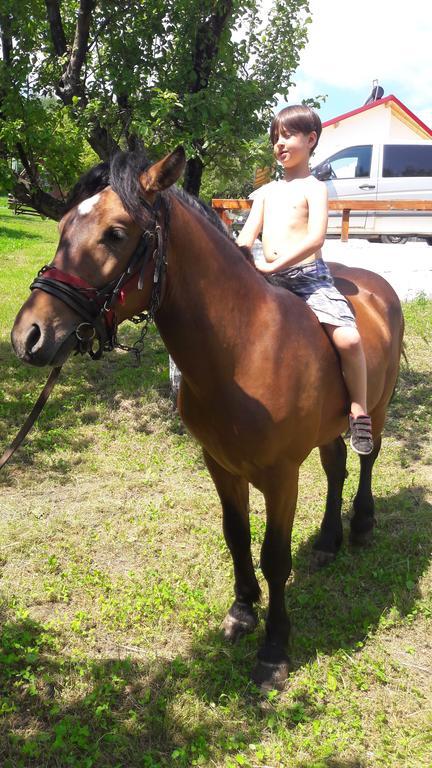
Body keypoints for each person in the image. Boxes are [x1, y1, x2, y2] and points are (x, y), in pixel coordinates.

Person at [236, 104, 373, 455]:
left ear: (311, 139)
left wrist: (272, 266)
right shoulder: (266, 192)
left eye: (288, 135)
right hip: (268, 279)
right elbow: (246, 237)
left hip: (308, 280)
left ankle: (359, 409)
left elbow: (314, 240)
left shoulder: (315, 188)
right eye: (275, 138)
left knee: (348, 339)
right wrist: (238, 257)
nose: (279, 144)